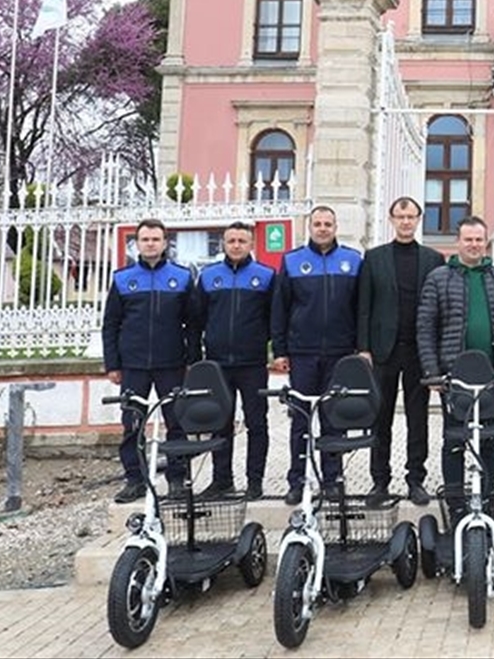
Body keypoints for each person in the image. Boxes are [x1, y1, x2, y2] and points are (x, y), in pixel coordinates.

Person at [417, 216, 494, 506]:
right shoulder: (439, 277)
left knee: (490, 441)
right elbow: (425, 327)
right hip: (454, 377)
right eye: (469, 239)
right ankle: (455, 506)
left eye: (479, 239)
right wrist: (432, 372)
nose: (474, 245)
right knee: (454, 441)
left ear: (485, 242)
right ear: (458, 242)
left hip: (493, 375)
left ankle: (487, 503)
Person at [271, 205, 363, 506]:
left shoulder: (352, 260)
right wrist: (281, 350)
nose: (323, 228)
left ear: (336, 227)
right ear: (309, 227)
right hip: (303, 354)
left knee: (333, 419)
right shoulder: (293, 260)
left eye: (328, 223)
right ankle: (297, 479)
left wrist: (359, 349)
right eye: (318, 224)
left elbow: (360, 309)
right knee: (301, 419)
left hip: (339, 353)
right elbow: (280, 309)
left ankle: (332, 479)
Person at [357, 197, 445, 506]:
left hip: (419, 352)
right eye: (400, 217)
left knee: (417, 419)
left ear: (419, 220)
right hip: (384, 350)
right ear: (391, 220)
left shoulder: (434, 259)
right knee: (380, 418)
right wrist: (364, 348)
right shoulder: (374, 258)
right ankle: (380, 481)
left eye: (411, 217)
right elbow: (364, 307)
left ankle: (416, 479)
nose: (406, 222)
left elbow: (441, 310)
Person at [102, 218, 196, 503]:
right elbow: (111, 324)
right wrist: (113, 365)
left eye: (156, 239)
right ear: (137, 244)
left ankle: (178, 480)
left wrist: (192, 360)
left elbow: (192, 324)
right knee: (132, 424)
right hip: (133, 365)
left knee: (176, 423)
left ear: (165, 242)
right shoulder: (123, 279)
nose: (151, 244)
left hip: (171, 363)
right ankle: (135, 480)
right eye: (145, 239)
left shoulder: (181, 277)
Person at [190, 221, 274, 501]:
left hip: (252, 364)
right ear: (223, 244)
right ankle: (222, 480)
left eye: (242, 241)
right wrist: (195, 360)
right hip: (217, 365)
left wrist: (275, 351)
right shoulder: (208, 276)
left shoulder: (265, 276)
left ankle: (255, 481)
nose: (236, 245)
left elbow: (275, 319)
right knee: (220, 424)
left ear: (251, 244)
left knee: (257, 424)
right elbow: (195, 321)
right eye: (231, 241)